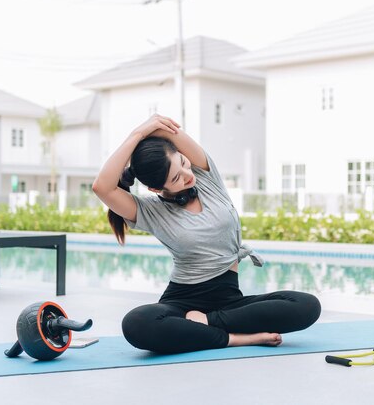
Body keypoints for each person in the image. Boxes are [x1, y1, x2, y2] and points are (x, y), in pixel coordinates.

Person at [92, 114, 321, 354]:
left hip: (230, 302)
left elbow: (167, 131)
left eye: (182, 162)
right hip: (182, 300)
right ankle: (235, 338)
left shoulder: (206, 177)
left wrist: (148, 128)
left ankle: (208, 324)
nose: (187, 174)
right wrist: (135, 135)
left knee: (307, 305)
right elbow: (103, 187)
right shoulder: (151, 211)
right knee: (136, 324)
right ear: (156, 188)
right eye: (177, 177)